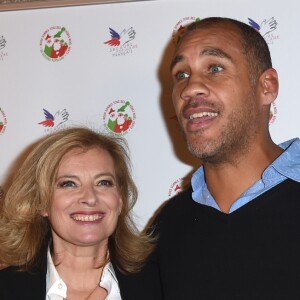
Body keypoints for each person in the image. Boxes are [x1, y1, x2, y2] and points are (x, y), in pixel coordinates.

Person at [116, 17, 300, 299]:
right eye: (181, 75)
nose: (189, 89)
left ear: (267, 86)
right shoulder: (167, 227)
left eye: (215, 68)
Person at [0, 127, 155, 300]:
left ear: (120, 200)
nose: (90, 198)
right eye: (69, 184)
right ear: (41, 203)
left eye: (103, 182)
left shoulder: (160, 284)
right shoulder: (6, 289)